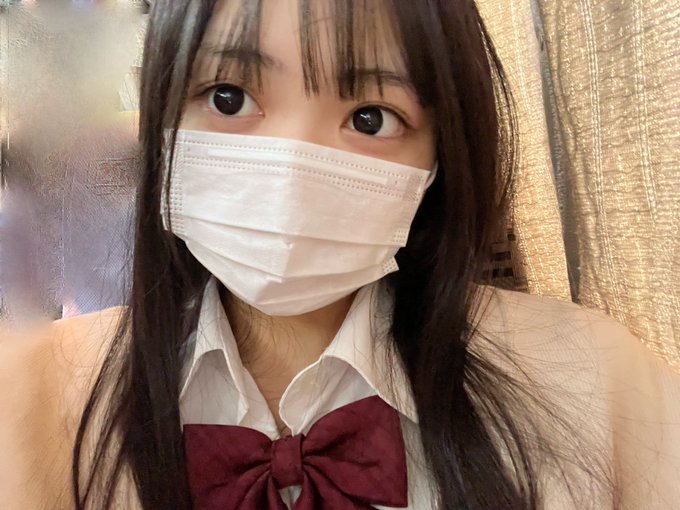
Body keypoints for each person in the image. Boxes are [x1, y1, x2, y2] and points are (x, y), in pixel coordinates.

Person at [1, 1, 679, 509]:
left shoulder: (595, 383)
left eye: (370, 117)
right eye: (229, 98)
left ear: (440, 159)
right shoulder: (36, 396)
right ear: (163, 119)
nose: (293, 171)